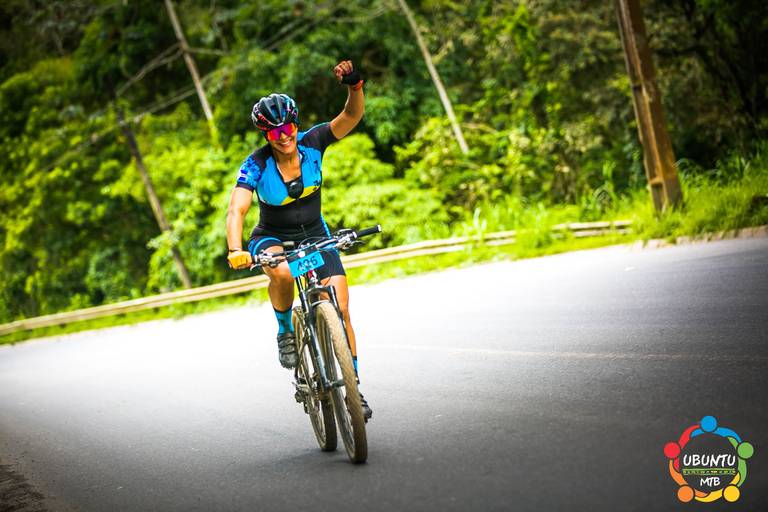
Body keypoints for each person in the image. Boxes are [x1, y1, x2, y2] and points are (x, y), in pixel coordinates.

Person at [225, 60, 372, 420]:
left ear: (296, 124)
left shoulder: (314, 142)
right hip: (272, 238)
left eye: (288, 127)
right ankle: (284, 330)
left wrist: (354, 86)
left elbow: (351, 117)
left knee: (341, 308)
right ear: (266, 135)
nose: (284, 136)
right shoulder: (256, 165)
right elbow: (237, 209)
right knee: (282, 274)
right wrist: (235, 249)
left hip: (316, 234)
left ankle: (353, 388)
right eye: (275, 132)